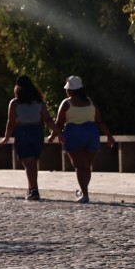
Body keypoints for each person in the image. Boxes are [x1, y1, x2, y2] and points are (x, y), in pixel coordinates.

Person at [49, 75, 115, 203]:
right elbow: (100, 121)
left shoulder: (66, 103)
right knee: (87, 166)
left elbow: (59, 123)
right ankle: (83, 190)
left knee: (80, 166)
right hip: (91, 134)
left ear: (70, 90)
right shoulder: (91, 102)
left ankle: (84, 194)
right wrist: (109, 136)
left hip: (74, 134)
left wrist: (53, 135)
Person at [0, 75, 57, 201]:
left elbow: (11, 122)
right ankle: (31, 188)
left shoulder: (15, 103)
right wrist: (58, 133)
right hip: (37, 132)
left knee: (29, 164)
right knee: (32, 163)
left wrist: (6, 137)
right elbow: (47, 119)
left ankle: (34, 190)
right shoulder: (39, 102)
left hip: (23, 132)